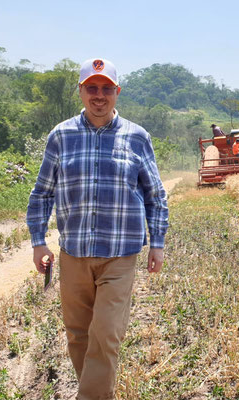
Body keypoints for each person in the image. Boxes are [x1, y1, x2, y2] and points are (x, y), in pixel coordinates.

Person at [26, 58, 169, 400]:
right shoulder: (61, 135)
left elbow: (155, 194)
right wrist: (37, 241)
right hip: (73, 252)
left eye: (107, 88)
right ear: (81, 92)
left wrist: (158, 242)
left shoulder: (136, 137)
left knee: (105, 334)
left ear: (117, 92)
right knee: (78, 334)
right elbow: (42, 192)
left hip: (119, 255)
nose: (99, 95)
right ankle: (96, 389)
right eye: (92, 88)